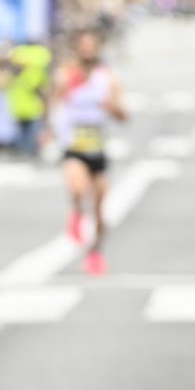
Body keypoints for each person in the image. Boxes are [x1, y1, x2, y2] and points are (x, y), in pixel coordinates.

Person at [52, 30, 127, 276]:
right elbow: (53, 103)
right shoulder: (66, 76)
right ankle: (75, 210)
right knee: (78, 187)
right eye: (83, 46)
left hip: (97, 147)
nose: (87, 51)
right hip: (73, 146)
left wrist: (111, 106)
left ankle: (95, 252)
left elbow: (123, 115)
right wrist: (50, 129)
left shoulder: (108, 78)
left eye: (91, 46)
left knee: (99, 207)